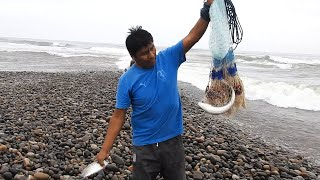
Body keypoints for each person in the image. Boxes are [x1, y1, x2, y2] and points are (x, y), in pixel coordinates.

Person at [96, 0, 213, 179]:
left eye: (152, 48)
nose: (151, 55)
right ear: (133, 56)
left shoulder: (168, 58)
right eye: (144, 53)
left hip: (173, 141)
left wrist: (207, 9)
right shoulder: (127, 80)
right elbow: (118, 116)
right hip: (144, 146)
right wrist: (105, 151)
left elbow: (193, 36)